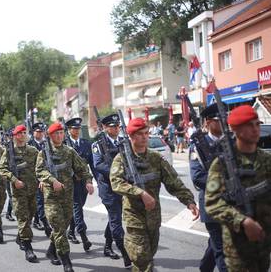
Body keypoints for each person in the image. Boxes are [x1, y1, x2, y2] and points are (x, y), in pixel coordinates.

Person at [110, 117, 199, 271]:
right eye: (139, 134)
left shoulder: (156, 158)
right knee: (141, 259)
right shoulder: (121, 159)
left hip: (153, 217)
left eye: (146, 133)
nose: (144, 137)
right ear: (131, 136)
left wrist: (189, 201)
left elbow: (173, 182)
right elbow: (116, 183)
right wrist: (140, 193)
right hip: (134, 217)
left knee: (148, 256)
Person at [205, 105, 271, 271]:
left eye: (257, 124)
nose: (255, 129)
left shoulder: (266, 159)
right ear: (235, 129)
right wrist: (242, 221)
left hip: (264, 243)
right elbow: (212, 203)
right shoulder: (221, 164)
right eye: (249, 125)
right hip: (238, 248)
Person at [36, 122, 94, 272]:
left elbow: (82, 168)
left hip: (68, 196)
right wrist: (52, 180)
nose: (59, 136)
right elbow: (39, 171)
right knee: (59, 228)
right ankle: (66, 261)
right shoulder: (44, 153)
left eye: (61, 133)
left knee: (62, 227)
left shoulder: (69, 151)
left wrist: (88, 181)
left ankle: (51, 250)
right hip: (51, 198)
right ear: (49, 136)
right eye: (56, 133)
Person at [189, 104, 227, 272]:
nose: (225, 122)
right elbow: (198, 177)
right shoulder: (197, 146)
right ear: (209, 122)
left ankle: (205, 268)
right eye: (220, 120)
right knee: (223, 250)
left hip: (233, 204)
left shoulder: (231, 142)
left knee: (216, 244)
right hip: (212, 206)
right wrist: (224, 184)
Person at [92, 114, 132, 268]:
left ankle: (108, 246)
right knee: (116, 220)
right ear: (105, 128)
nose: (116, 129)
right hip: (108, 189)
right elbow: (98, 165)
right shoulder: (98, 145)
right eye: (113, 126)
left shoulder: (124, 142)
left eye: (118, 126)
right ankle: (125, 253)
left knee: (114, 217)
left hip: (124, 186)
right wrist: (118, 172)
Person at [0, 125, 39, 263]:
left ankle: (20, 237)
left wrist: (42, 180)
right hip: (18, 192)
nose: (23, 135)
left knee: (30, 216)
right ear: (15, 136)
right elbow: (2, 169)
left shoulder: (33, 150)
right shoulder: (9, 152)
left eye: (24, 132)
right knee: (22, 218)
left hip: (33, 190)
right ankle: (28, 248)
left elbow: (40, 167)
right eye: (20, 133)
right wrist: (14, 180)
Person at [65, 117, 95, 252]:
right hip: (70, 182)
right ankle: (83, 236)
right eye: (74, 129)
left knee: (78, 206)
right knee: (77, 208)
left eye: (78, 129)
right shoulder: (64, 144)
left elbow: (91, 164)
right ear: (69, 130)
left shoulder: (85, 144)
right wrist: (72, 174)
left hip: (83, 181)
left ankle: (71, 231)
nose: (76, 131)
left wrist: (91, 180)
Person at [27, 122, 52, 237]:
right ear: (33, 133)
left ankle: (37, 220)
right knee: (39, 201)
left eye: (42, 131)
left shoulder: (46, 144)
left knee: (42, 201)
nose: (40, 134)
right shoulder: (29, 145)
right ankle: (44, 222)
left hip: (45, 177)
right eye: (38, 132)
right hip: (33, 179)